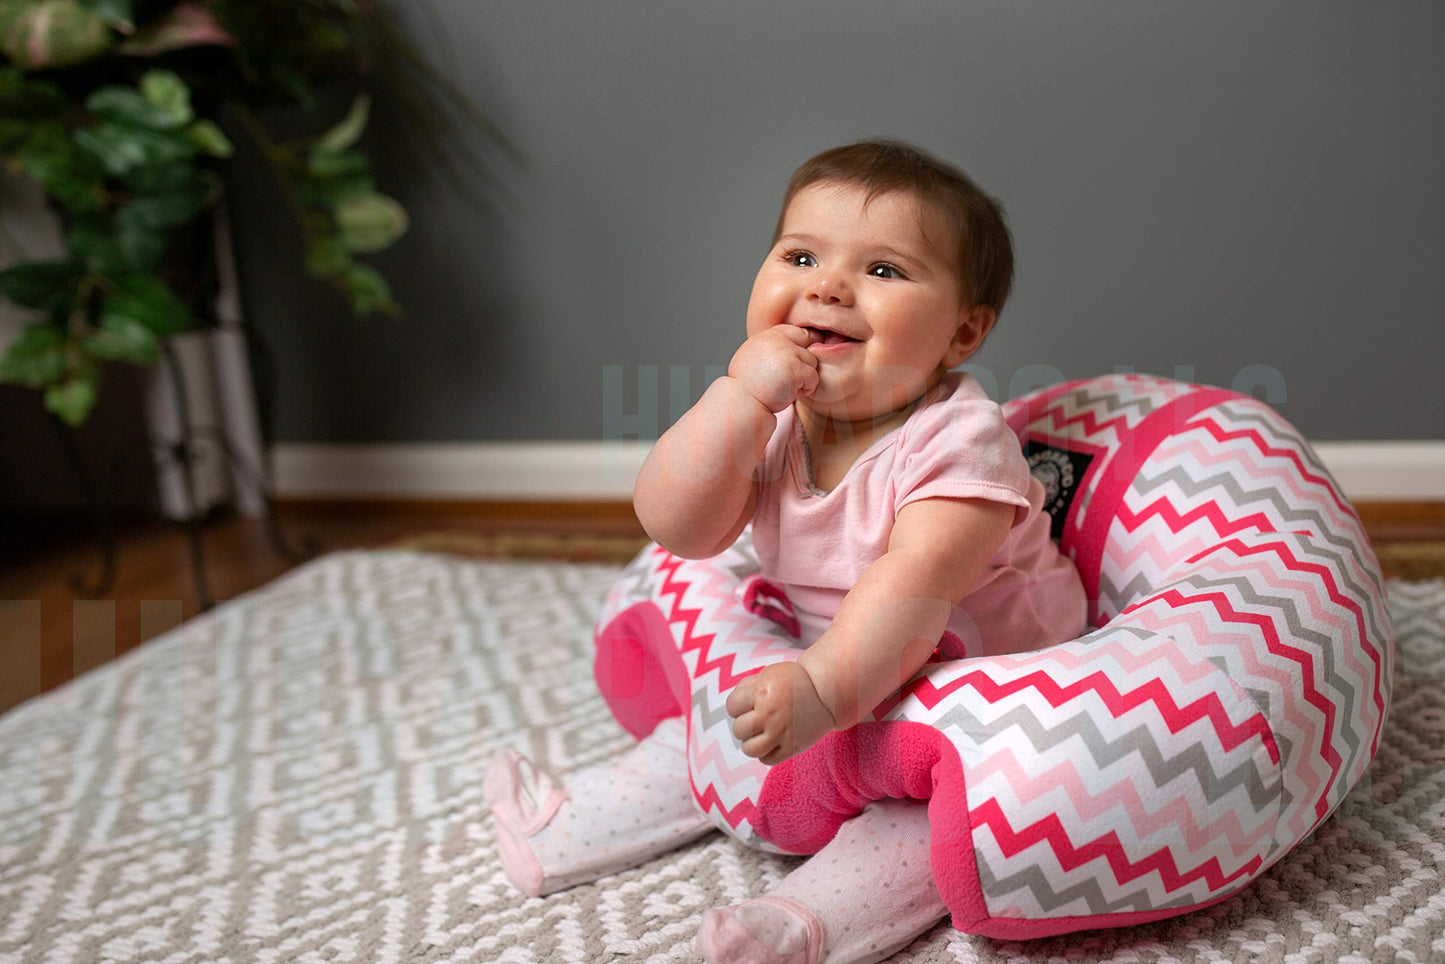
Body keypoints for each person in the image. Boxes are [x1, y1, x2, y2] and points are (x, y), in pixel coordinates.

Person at [485, 139, 1087, 964]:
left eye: (883, 270)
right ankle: (566, 828)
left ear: (961, 332)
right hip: (838, 655)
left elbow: (913, 584)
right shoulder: (769, 415)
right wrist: (736, 398)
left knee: (934, 816)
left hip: (978, 675)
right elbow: (679, 528)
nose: (827, 286)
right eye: (800, 256)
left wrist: (822, 689)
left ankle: (803, 925)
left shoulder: (959, 442)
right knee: (714, 733)